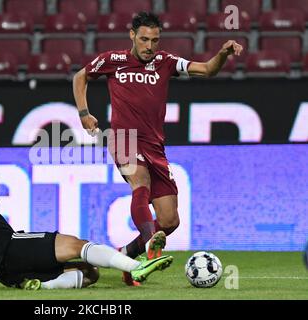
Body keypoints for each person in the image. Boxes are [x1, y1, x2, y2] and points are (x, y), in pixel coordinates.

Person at [73, 11, 243, 286]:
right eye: (144, 39)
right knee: (140, 181)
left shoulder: (166, 62)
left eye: (154, 40)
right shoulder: (113, 60)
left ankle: (126, 258)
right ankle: (151, 250)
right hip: (123, 138)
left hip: (155, 147)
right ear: (132, 35)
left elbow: (208, 69)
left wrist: (223, 53)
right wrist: (84, 113)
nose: (149, 46)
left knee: (170, 219)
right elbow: (80, 77)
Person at [0, 158, 173, 290]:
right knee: (77, 245)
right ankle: (135, 267)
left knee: (89, 272)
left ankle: (39, 286)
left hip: (4, 272)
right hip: (11, 249)